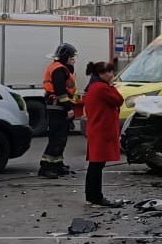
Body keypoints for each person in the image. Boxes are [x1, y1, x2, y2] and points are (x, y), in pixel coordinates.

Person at [83, 61, 124, 208]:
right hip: (101, 130)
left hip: (97, 129)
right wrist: (112, 86)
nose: (112, 75)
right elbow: (119, 100)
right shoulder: (102, 88)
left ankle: (92, 196)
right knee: (97, 166)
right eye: (110, 72)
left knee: (95, 165)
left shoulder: (94, 87)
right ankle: (96, 197)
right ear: (102, 74)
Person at [39, 43, 78, 179]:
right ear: (65, 57)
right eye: (72, 57)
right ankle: (46, 167)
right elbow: (61, 92)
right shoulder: (59, 70)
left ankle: (57, 165)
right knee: (56, 138)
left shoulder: (61, 68)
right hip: (57, 107)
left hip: (57, 106)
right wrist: (68, 108)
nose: (73, 60)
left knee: (61, 139)